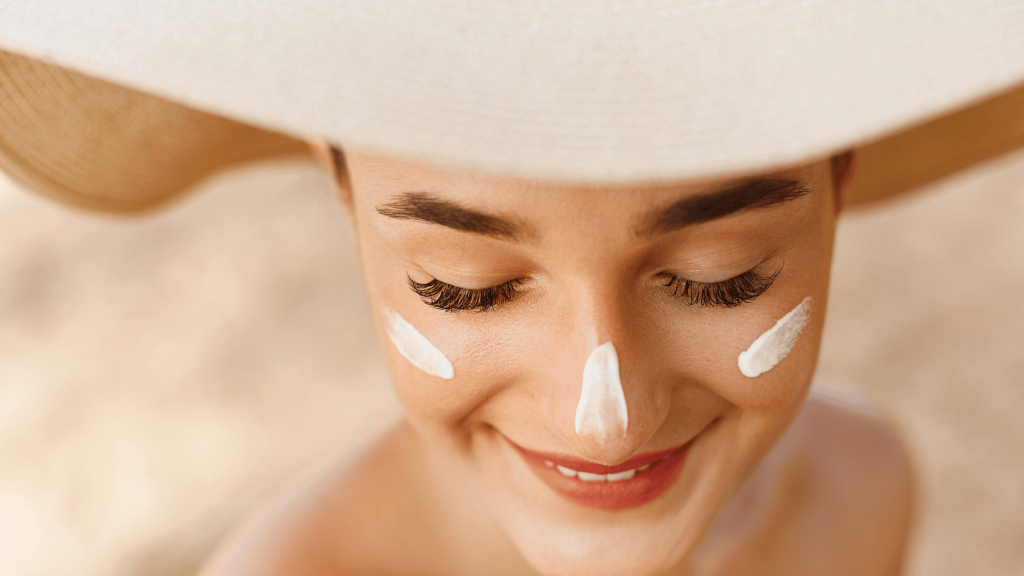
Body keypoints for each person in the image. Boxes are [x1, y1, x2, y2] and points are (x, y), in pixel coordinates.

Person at [1, 3, 1023, 575]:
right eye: (468, 288)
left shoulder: (854, 489)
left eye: (722, 278)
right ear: (341, 184)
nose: (604, 411)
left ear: (837, 175)